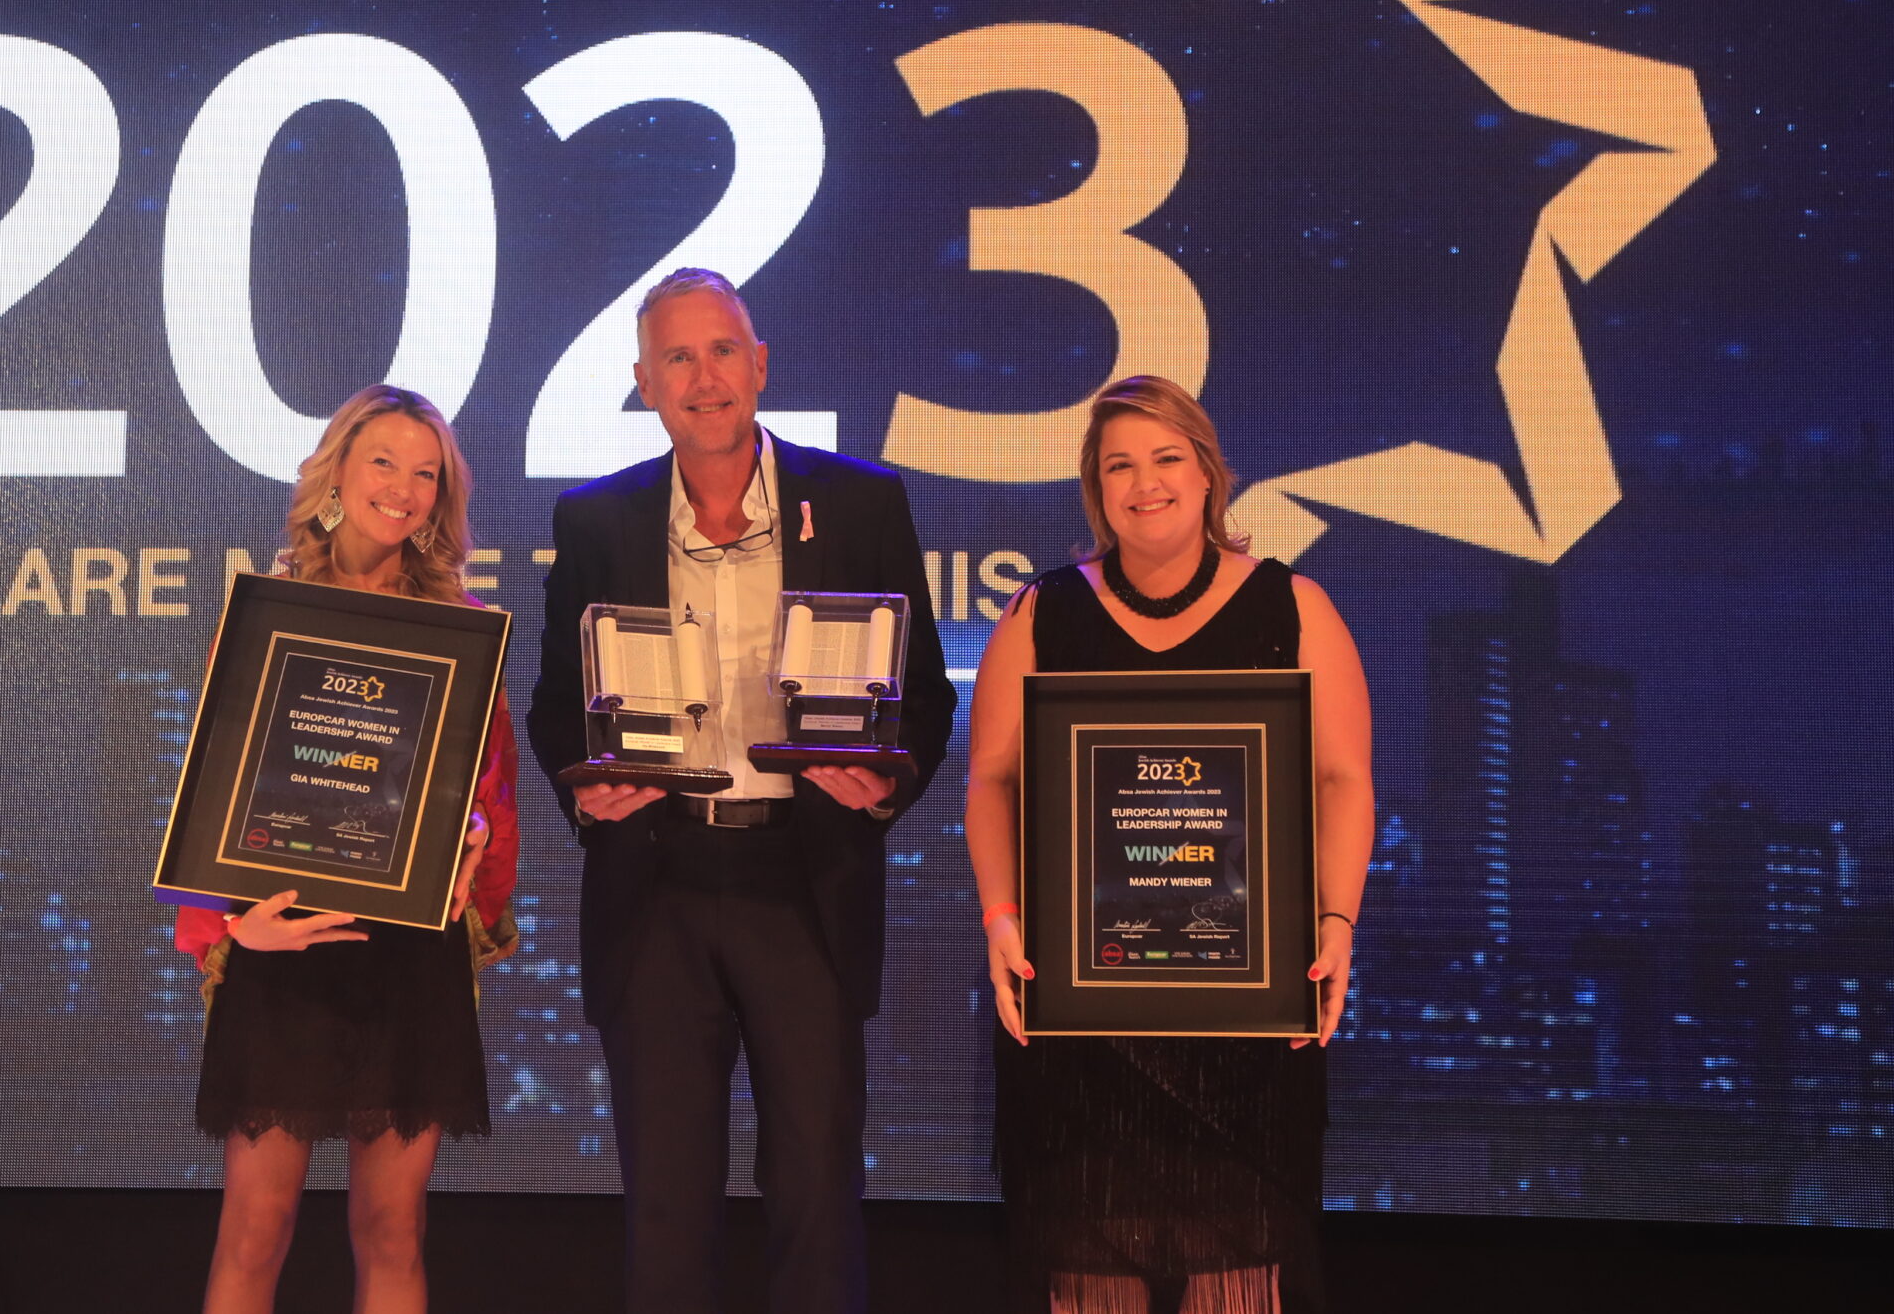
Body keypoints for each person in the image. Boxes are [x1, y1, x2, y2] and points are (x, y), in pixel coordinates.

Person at [527, 268, 957, 1314]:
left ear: (759, 365)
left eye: (721, 350)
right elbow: (552, 707)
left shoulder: (858, 502)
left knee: (814, 1189)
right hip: (657, 884)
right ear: (642, 383)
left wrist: (880, 784)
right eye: (676, 357)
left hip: (803, 879)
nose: (703, 376)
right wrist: (585, 795)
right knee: (667, 1206)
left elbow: (927, 700)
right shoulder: (596, 521)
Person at [965, 375, 1375, 1314]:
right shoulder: (1044, 612)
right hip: (1080, 1029)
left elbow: (1344, 778)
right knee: (1086, 1277)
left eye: (1165, 458)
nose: (1144, 483)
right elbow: (991, 777)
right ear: (1095, 488)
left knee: (1239, 1278)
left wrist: (1336, 919)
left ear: (1207, 472)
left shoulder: (1293, 607)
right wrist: (1001, 914)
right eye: (1119, 465)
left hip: (1245, 1029)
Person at [173, 384, 521, 1314]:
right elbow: (221, 788)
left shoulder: (460, 623)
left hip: (407, 955)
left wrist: (471, 847)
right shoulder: (269, 610)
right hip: (282, 944)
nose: (404, 489)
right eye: (384, 462)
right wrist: (240, 923)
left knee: (392, 1229)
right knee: (255, 1225)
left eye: (426, 473)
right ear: (337, 471)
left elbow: (483, 789)